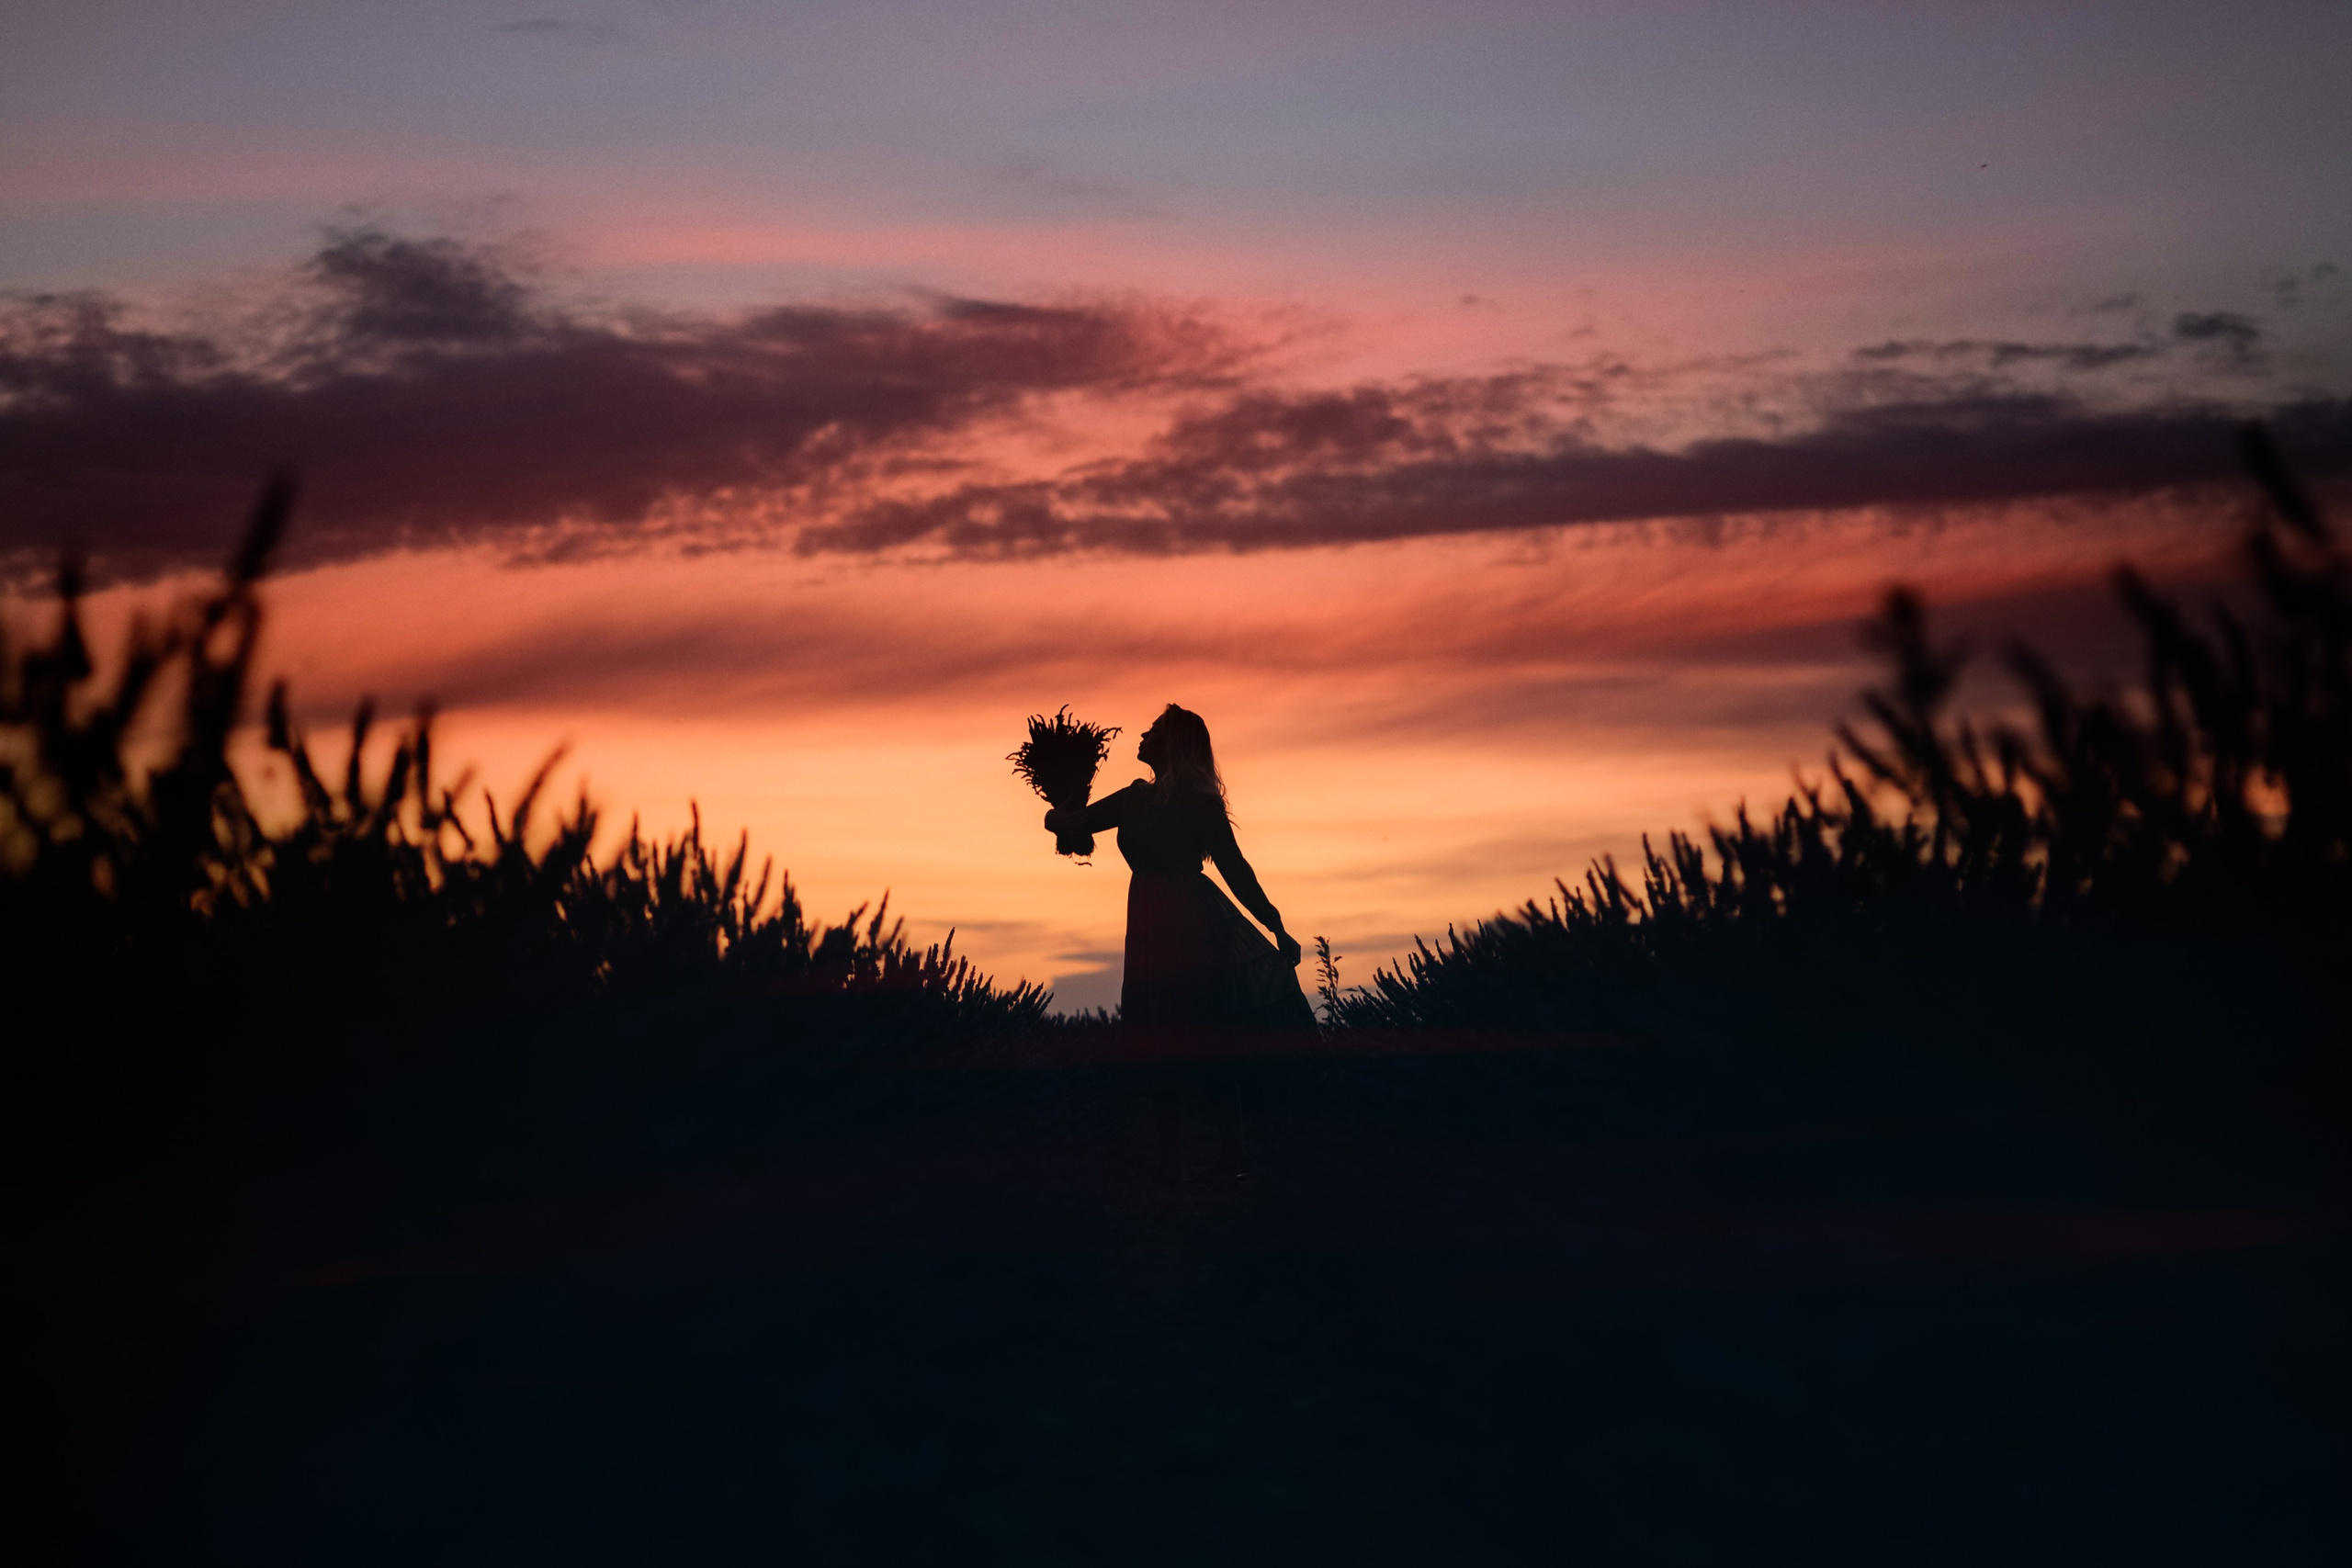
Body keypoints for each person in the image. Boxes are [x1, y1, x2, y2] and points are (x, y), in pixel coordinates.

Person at [1045, 705, 1315, 1032]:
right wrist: (1052, 818)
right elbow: (1077, 823)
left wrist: (1275, 925)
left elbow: (1235, 868)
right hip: (1147, 917)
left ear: (1174, 744)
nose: (1145, 734)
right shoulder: (1133, 798)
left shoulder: (1200, 804)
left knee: (1190, 1018)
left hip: (1192, 919)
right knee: (1154, 1016)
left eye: (1155, 730)